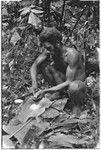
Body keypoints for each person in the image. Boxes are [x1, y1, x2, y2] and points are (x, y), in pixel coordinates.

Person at [30, 27, 86, 116]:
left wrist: (45, 91)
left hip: (76, 86)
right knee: (44, 65)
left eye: (49, 47)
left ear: (57, 43)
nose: (47, 51)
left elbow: (69, 82)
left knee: (74, 86)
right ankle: (59, 93)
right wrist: (34, 83)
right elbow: (34, 66)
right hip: (64, 84)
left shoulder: (71, 55)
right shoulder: (49, 51)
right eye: (46, 48)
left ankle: (77, 105)